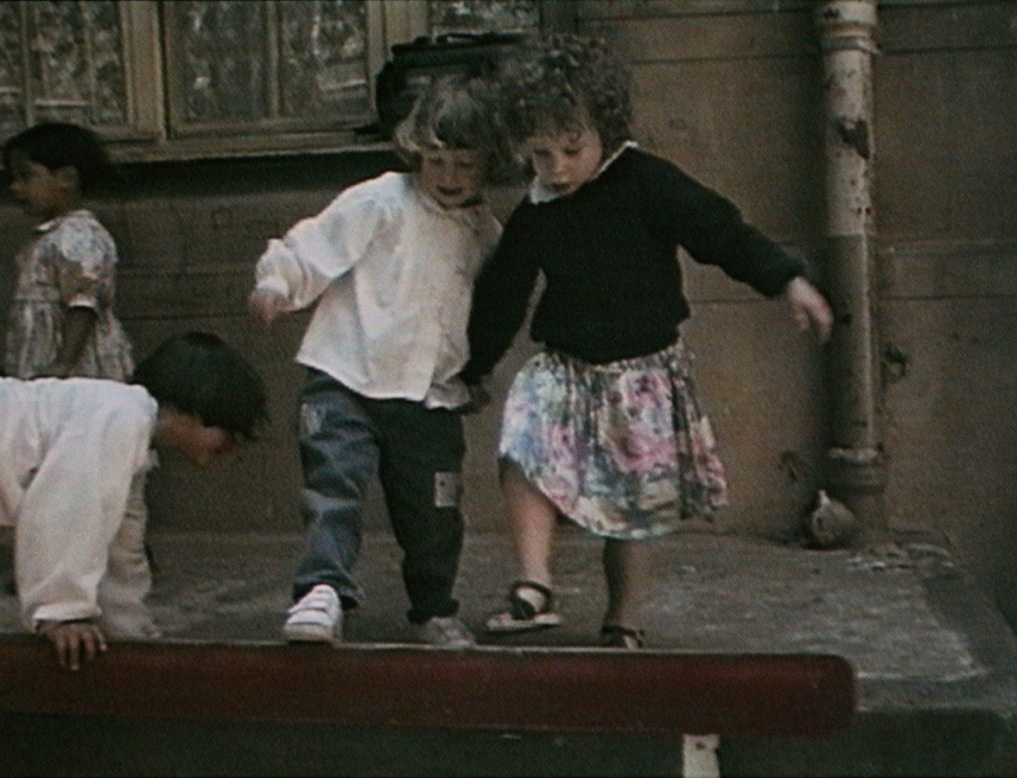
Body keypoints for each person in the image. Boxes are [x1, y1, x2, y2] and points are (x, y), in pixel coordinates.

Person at [461, 34, 834, 649]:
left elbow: (719, 230)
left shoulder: (646, 182)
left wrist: (787, 280)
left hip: (642, 377)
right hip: (566, 369)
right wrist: (472, 367)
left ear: (605, 127)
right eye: (540, 155)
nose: (556, 168)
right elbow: (502, 294)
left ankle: (624, 622)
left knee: (630, 513)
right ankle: (534, 584)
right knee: (522, 446)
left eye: (570, 150)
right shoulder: (536, 211)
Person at [248, 75, 510, 648]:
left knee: (436, 510)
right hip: (348, 375)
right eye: (436, 160)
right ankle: (322, 590)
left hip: (430, 395)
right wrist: (278, 281)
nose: (448, 177)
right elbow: (315, 244)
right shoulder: (381, 201)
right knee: (334, 485)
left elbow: (486, 316)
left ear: (490, 164)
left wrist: (476, 373)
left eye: (466, 164)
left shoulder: (485, 235)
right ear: (415, 150)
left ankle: (432, 607)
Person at [0, 331, 268, 670]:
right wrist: (61, 612)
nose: (231, 450)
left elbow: (121, 555)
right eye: (229, 435)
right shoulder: (121, 415)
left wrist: (134, 640)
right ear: (199, 406)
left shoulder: (131, 442)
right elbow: (67, 506)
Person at [1, 122, 134, 381]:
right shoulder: (48, 236)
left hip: (75, 367)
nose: (15, 188)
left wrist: (64, 363)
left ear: (66, 179)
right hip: (44, 360)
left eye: (26, 176)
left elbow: (83, 304)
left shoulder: (78, 236)